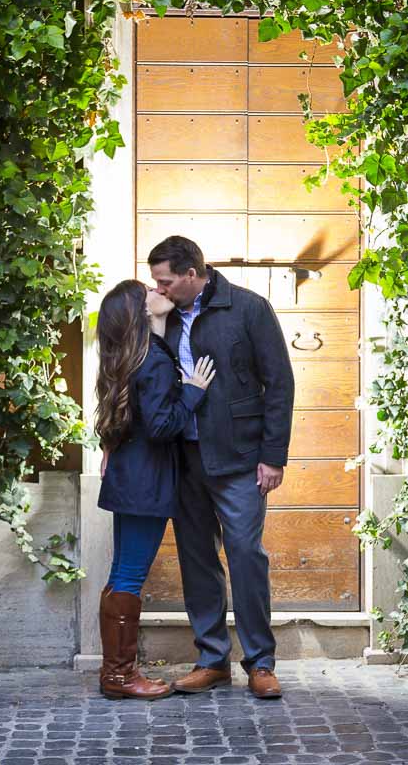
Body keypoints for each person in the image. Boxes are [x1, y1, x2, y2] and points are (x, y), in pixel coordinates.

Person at [148, 236, 294, 699]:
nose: (160, 288)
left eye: (166, 281)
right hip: (183, 458)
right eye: (156, 281)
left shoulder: (248, 308)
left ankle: (261, 663)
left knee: (246, 556)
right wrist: (152, 317)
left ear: (192, 274)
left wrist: (274, 456)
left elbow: (280, 383)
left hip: (239, 459)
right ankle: (212, 660)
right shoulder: (163, 316)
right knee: (196, 559)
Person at [95, 278, 215, 700]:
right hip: (145, 483)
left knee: (119, 576)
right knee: (129, 576)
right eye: (147, 291)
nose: (157, 289)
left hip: (130, 479)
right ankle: (120, 677)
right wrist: (193, 392)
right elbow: (164, 426)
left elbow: (130, 420)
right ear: (141, 313)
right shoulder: (157, 362)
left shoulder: (133, 359)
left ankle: (116, 674)